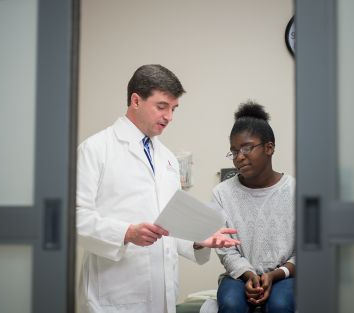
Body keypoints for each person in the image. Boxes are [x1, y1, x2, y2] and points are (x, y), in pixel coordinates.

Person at [76, 64, 240, 313]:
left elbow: (169, 226)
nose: (169, 117)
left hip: (162, 296)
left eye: (173, 109)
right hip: (113, 296)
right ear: (136, 100)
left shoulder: (167, 158)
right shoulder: (96, 149)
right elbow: (74, 219)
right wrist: (126, 233)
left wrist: (198, 241)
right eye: (162, 106)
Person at [212, 101, 295, 313]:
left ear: (269, 148)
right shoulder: (222, 193)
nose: (239, 157)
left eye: (247, 148)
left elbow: (305, 250)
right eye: (234, 151)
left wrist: (276, 274)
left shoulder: (296, 191)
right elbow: (226, 250)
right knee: (231, 304)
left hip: (286, 274)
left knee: (280, 305)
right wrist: (250, 275)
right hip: (240, 276)